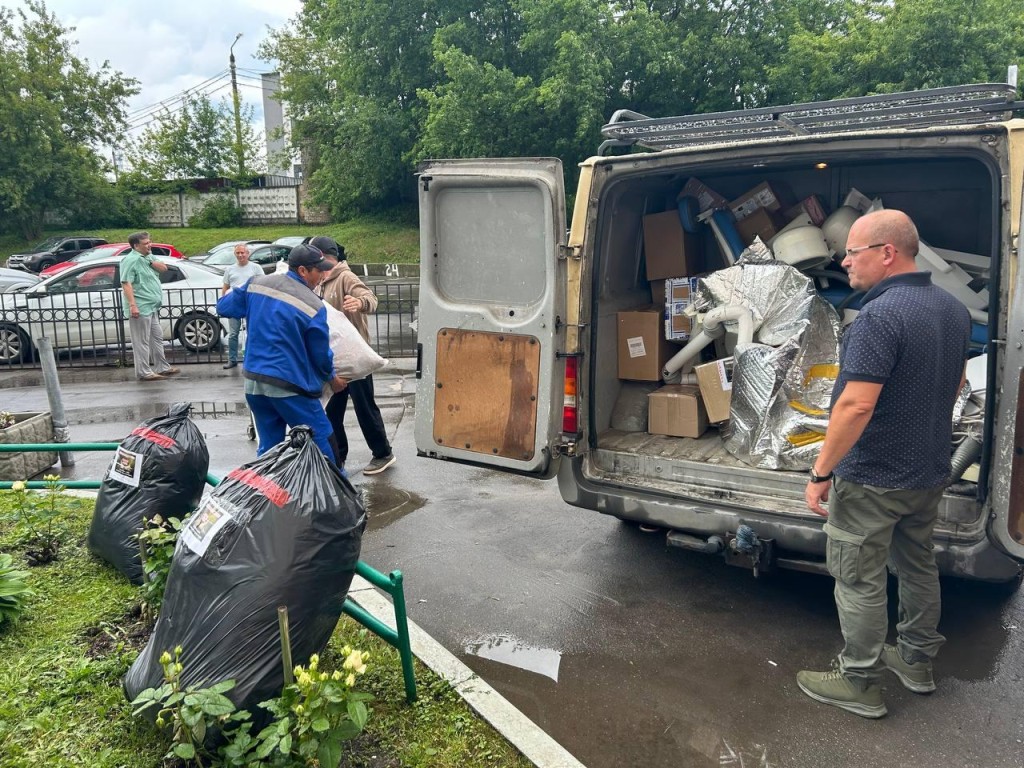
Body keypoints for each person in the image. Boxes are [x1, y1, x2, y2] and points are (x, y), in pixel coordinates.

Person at [798, 209, 971, 719]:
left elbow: (856, 405)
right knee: (917, 565)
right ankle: (916, 662)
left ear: (887, 253)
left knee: (858, 577)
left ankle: (860, 682)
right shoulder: (953, 309)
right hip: (927, 471)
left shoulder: (879, 316)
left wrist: (821, 472)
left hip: (873, 476)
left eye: (853, 251)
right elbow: (957, 383)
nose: (845, 261)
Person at [216, 243, 346, 467]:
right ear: (303, 271)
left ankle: (265, 494)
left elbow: (224, 307)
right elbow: (321, 355)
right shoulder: (313, 305)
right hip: (290, 387)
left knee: (269, 450)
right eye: (319, 270)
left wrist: (248, 300)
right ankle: (339, 491)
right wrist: (332, 379)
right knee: (322, 440)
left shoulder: (257, 283)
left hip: (255, 384)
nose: (323, 275)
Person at [310, 235, 396, 475]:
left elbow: (371, 298)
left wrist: (359, 303)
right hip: (335, 360)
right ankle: (338, 457)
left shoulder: (345, 277)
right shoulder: (320, 283)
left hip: (356, 358)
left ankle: (383, 453)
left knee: (364, 407)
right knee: (332, 411)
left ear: (328, 258)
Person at [120, 231, 180, 382]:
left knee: (156, 337)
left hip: (152, 306)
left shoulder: (148, 256)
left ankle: (162, 367)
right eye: (145, 243)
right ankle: (143, 372)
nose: (149, 245)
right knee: (141, 341)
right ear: (136, 246)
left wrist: (150, 261)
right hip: (141, 306)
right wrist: (133, 305)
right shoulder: (130, 260)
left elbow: (163, 268)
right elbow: (126, 283)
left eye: (149, 242)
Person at [220, 243, 264, 369]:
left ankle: (253, 358)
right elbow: (225, 288)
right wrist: (224, 301)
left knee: (252, 331)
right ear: (235, 254)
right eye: (238, 253)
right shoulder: (230, 269)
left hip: (251, 304)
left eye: (242, 253)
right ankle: (232, 359)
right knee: (233, 333)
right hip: (235, 304)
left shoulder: (256, 268)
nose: (240, 255)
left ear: (247, 254)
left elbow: (262, 285)